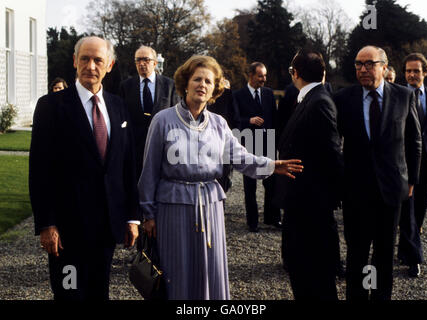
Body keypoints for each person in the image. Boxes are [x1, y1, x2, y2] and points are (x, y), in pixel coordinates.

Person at [137, 55, 303, 300]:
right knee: (176, 270)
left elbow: (241, 158)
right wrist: (148, 213)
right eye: (197, 79)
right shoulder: (163, 120)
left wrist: (271, 164)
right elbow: (149, 169)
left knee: (208, 269)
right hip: (173, 208)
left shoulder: (219, 124)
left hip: (210, 207)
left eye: (208, 81)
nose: (202, 85)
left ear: (215, 88)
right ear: (185, 83)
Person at [29, 36, 140, 300]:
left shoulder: (119, 107)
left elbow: (128, 166)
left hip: (106, 226)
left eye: (98, 60)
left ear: (109, 65)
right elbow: (40, 170)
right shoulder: (51, 106)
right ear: (75, 61)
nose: (91, 66)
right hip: (67, 230)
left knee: (98, 292)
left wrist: (132, 217)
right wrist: (47, 223)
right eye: (85, 59)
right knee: (69, 292)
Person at [334, 45, 421, 301]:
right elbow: (332, 144)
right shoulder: (343, 99)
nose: (363, 69)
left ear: (384, 66)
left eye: (369, 64)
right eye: (358, 65)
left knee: (383, 254)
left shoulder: (404, 96)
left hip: (391, 191)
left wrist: (412, 181)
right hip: (355, 192)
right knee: (357, 254)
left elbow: (414, 142)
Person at [276, 49, 344, 300]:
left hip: (311, 209)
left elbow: (332, 153)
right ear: (323, 73)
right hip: (303, 205)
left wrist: (329, 198)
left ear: (295, 74)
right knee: (302, 276)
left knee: (316, 280)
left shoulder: (320, 102)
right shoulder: (312, 99)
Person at [398, 53, 427, 277]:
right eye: (408, 71)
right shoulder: (398, 95)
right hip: (405, 164)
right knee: (408, 209)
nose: (411, 75)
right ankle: (413, 256)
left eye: (416, 71)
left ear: (425, 72)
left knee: (420, 208)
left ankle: (405, 247)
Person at [233, 62, 281, 232]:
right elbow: (234, 120)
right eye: (260, 76)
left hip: (267, 143)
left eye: (265, 75)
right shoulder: (238, 95)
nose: (264, 79)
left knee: (271, 184)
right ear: (251, 75)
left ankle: (272, 218)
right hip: (250, 144)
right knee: (250, 187)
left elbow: (274, 118)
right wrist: (249, 121)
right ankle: (252, 222)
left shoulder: (268, 94)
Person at [119, 45, 179, 178]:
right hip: (135, 149)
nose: (141, 64)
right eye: (138, 60)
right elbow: (121, 117)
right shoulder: (126, 86)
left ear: (155, 63)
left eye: (146, 60)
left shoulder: (170, 86)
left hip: (163, 146)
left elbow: (177, 116)